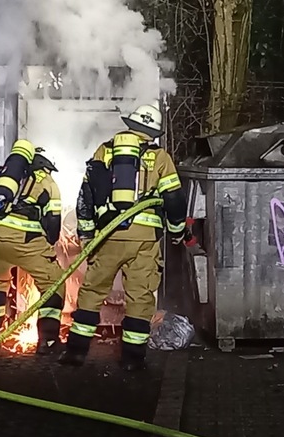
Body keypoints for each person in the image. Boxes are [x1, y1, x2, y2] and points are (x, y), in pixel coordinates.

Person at [58, 102, 187, 371]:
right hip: (144, 240)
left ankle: (75, 353)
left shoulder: (105, 150)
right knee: (140, 297)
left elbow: (86, 195)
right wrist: (177, 232)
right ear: (152, 132)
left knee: (92, 292)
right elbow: (174, 198)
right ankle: (132, 360)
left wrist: (87, 234)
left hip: (109, 235)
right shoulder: (160, 157)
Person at [0, 140, 64, 355]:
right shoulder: (45, 179)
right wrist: (49, 244)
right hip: (26, 241)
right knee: (53, 284)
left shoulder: (2, 175)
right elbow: (53, 218)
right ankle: (48, 341)